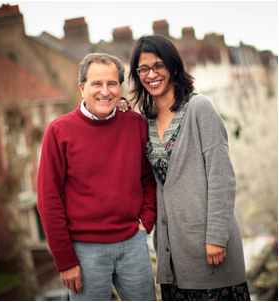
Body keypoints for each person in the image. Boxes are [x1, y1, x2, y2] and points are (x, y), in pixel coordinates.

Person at [119, 34, 251, 301]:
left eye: (158, 66)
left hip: (210, 246)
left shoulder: (199, 108)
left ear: (173, 66)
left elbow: (222, 178)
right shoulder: (143, 121)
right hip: (172, 251)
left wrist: (216, 237)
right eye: (143, 69)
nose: (151, 74)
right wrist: (118, 109)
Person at [37, 53, 157, 301]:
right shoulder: (59, 132)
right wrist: (65, 261)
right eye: (96, 84)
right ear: (82, 88)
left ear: (120, 87)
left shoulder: (135, 124)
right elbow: (49, 200)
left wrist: (146, 219)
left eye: (112, 83)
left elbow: (148, 179)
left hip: (132, 244)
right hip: (84, 252)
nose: (105, 91)